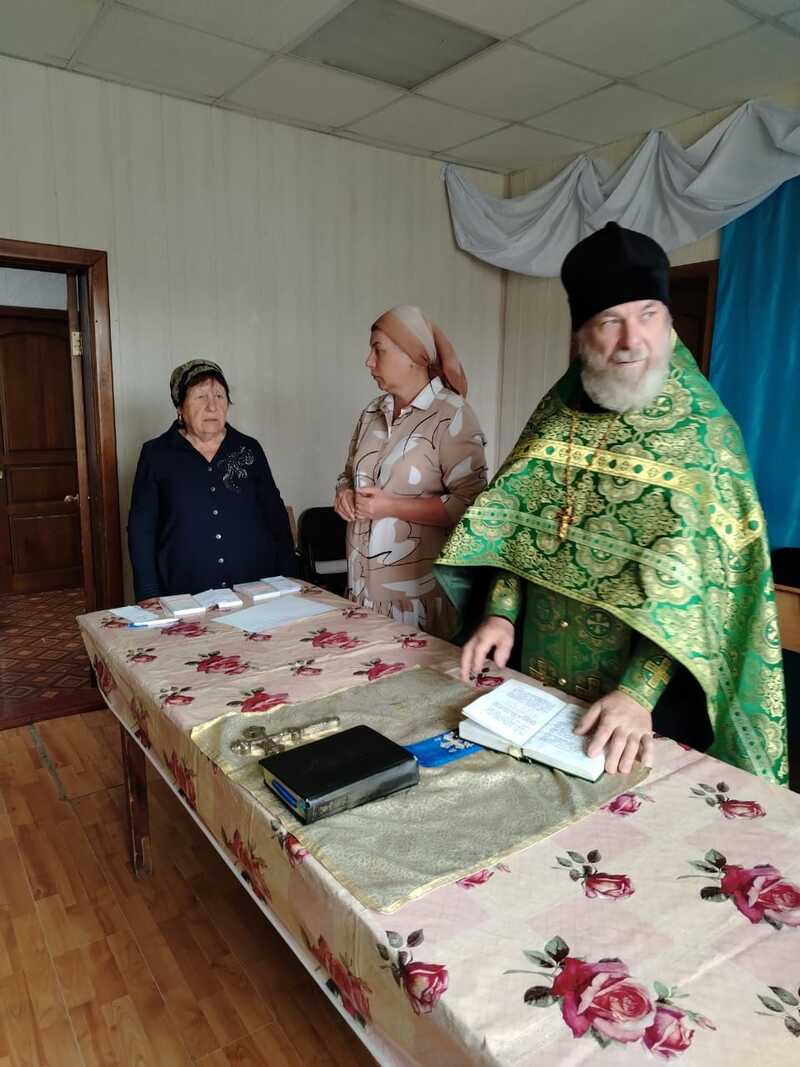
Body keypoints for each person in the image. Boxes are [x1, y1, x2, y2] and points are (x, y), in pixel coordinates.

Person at [435, 223, 788, 785]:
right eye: (609, 321)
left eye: (648, 315)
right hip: (537, 681)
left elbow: (704, 597)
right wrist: (501, 612)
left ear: (669, 324)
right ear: (581, 337)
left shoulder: (706, 439)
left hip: (644, 710)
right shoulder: (557, 416)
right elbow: (515, 530)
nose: (632, 340)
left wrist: (638, 692)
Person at [335, 305, 488, 638]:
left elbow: (473, 507)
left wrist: (390, 506)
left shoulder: (452, 415)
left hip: (417, 602)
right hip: (362, 589)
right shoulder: (371, 412)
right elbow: (348, 473)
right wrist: (344, 493)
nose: (368, 361)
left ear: (412, 355)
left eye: (378, 350)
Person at [128, 359, 297, 604]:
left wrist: (289, 578)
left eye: (219, 396)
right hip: (185, 591)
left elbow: (276, 518)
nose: (212, 406)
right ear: (180, 407)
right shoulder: (156, 455)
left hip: (254, 586)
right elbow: (141, 529)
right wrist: (148, 592)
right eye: (200, 397)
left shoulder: (248, 449)